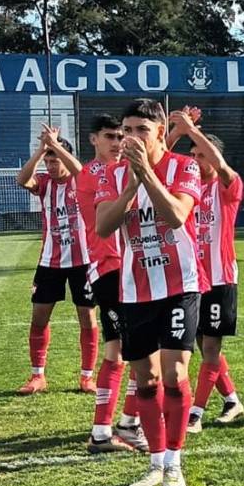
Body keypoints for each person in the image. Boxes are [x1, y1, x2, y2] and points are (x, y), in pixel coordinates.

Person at [96, 99, 208, 486]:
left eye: (141, 129)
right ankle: (155, 462)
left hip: (179, 286)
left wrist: (147, 175)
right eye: (127, 130)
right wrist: (131, 182)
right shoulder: (111, 174)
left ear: (161, 131)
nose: (131, 137)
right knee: (146, 380)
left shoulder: (185, 166)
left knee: (176, 376)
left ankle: (175, 465)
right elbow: (104, 226)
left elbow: (177, 214)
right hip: (134, 290)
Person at [165, 109, 244, 431]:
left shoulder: (228, 186)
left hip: (219, 278)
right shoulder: (187, 188)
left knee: (210, 348)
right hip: (190, 279)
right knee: (201, 346)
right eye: (193, 154)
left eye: (202, 154)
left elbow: (223, 167)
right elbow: (164, 157)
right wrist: (177, 130)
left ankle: (194, 414)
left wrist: (192, 131)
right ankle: (232, 400)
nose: (195, 159)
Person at [78, 114, 148, 453]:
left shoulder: (121, 171)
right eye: (111, 136)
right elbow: (106, 218)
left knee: (143, 349)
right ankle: (104, 432)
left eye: (122, 136)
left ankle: (127, 422)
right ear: (94, 139)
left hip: (131, 267)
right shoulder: (93, 174)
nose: (118, 142)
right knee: (121, 351)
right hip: (110, 267)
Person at [15, 125, 98, 396]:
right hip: (50, 261)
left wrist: (58, 148)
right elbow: (21, 180)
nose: (51, 165)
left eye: (55, 160)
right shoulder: (44, 183)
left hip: (83, 261)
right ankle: (37, 376)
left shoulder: (80, 180)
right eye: (48, 161)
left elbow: (83, 172)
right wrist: (41, 149)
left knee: (87, 317)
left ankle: (87, 376)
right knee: (39, 317)